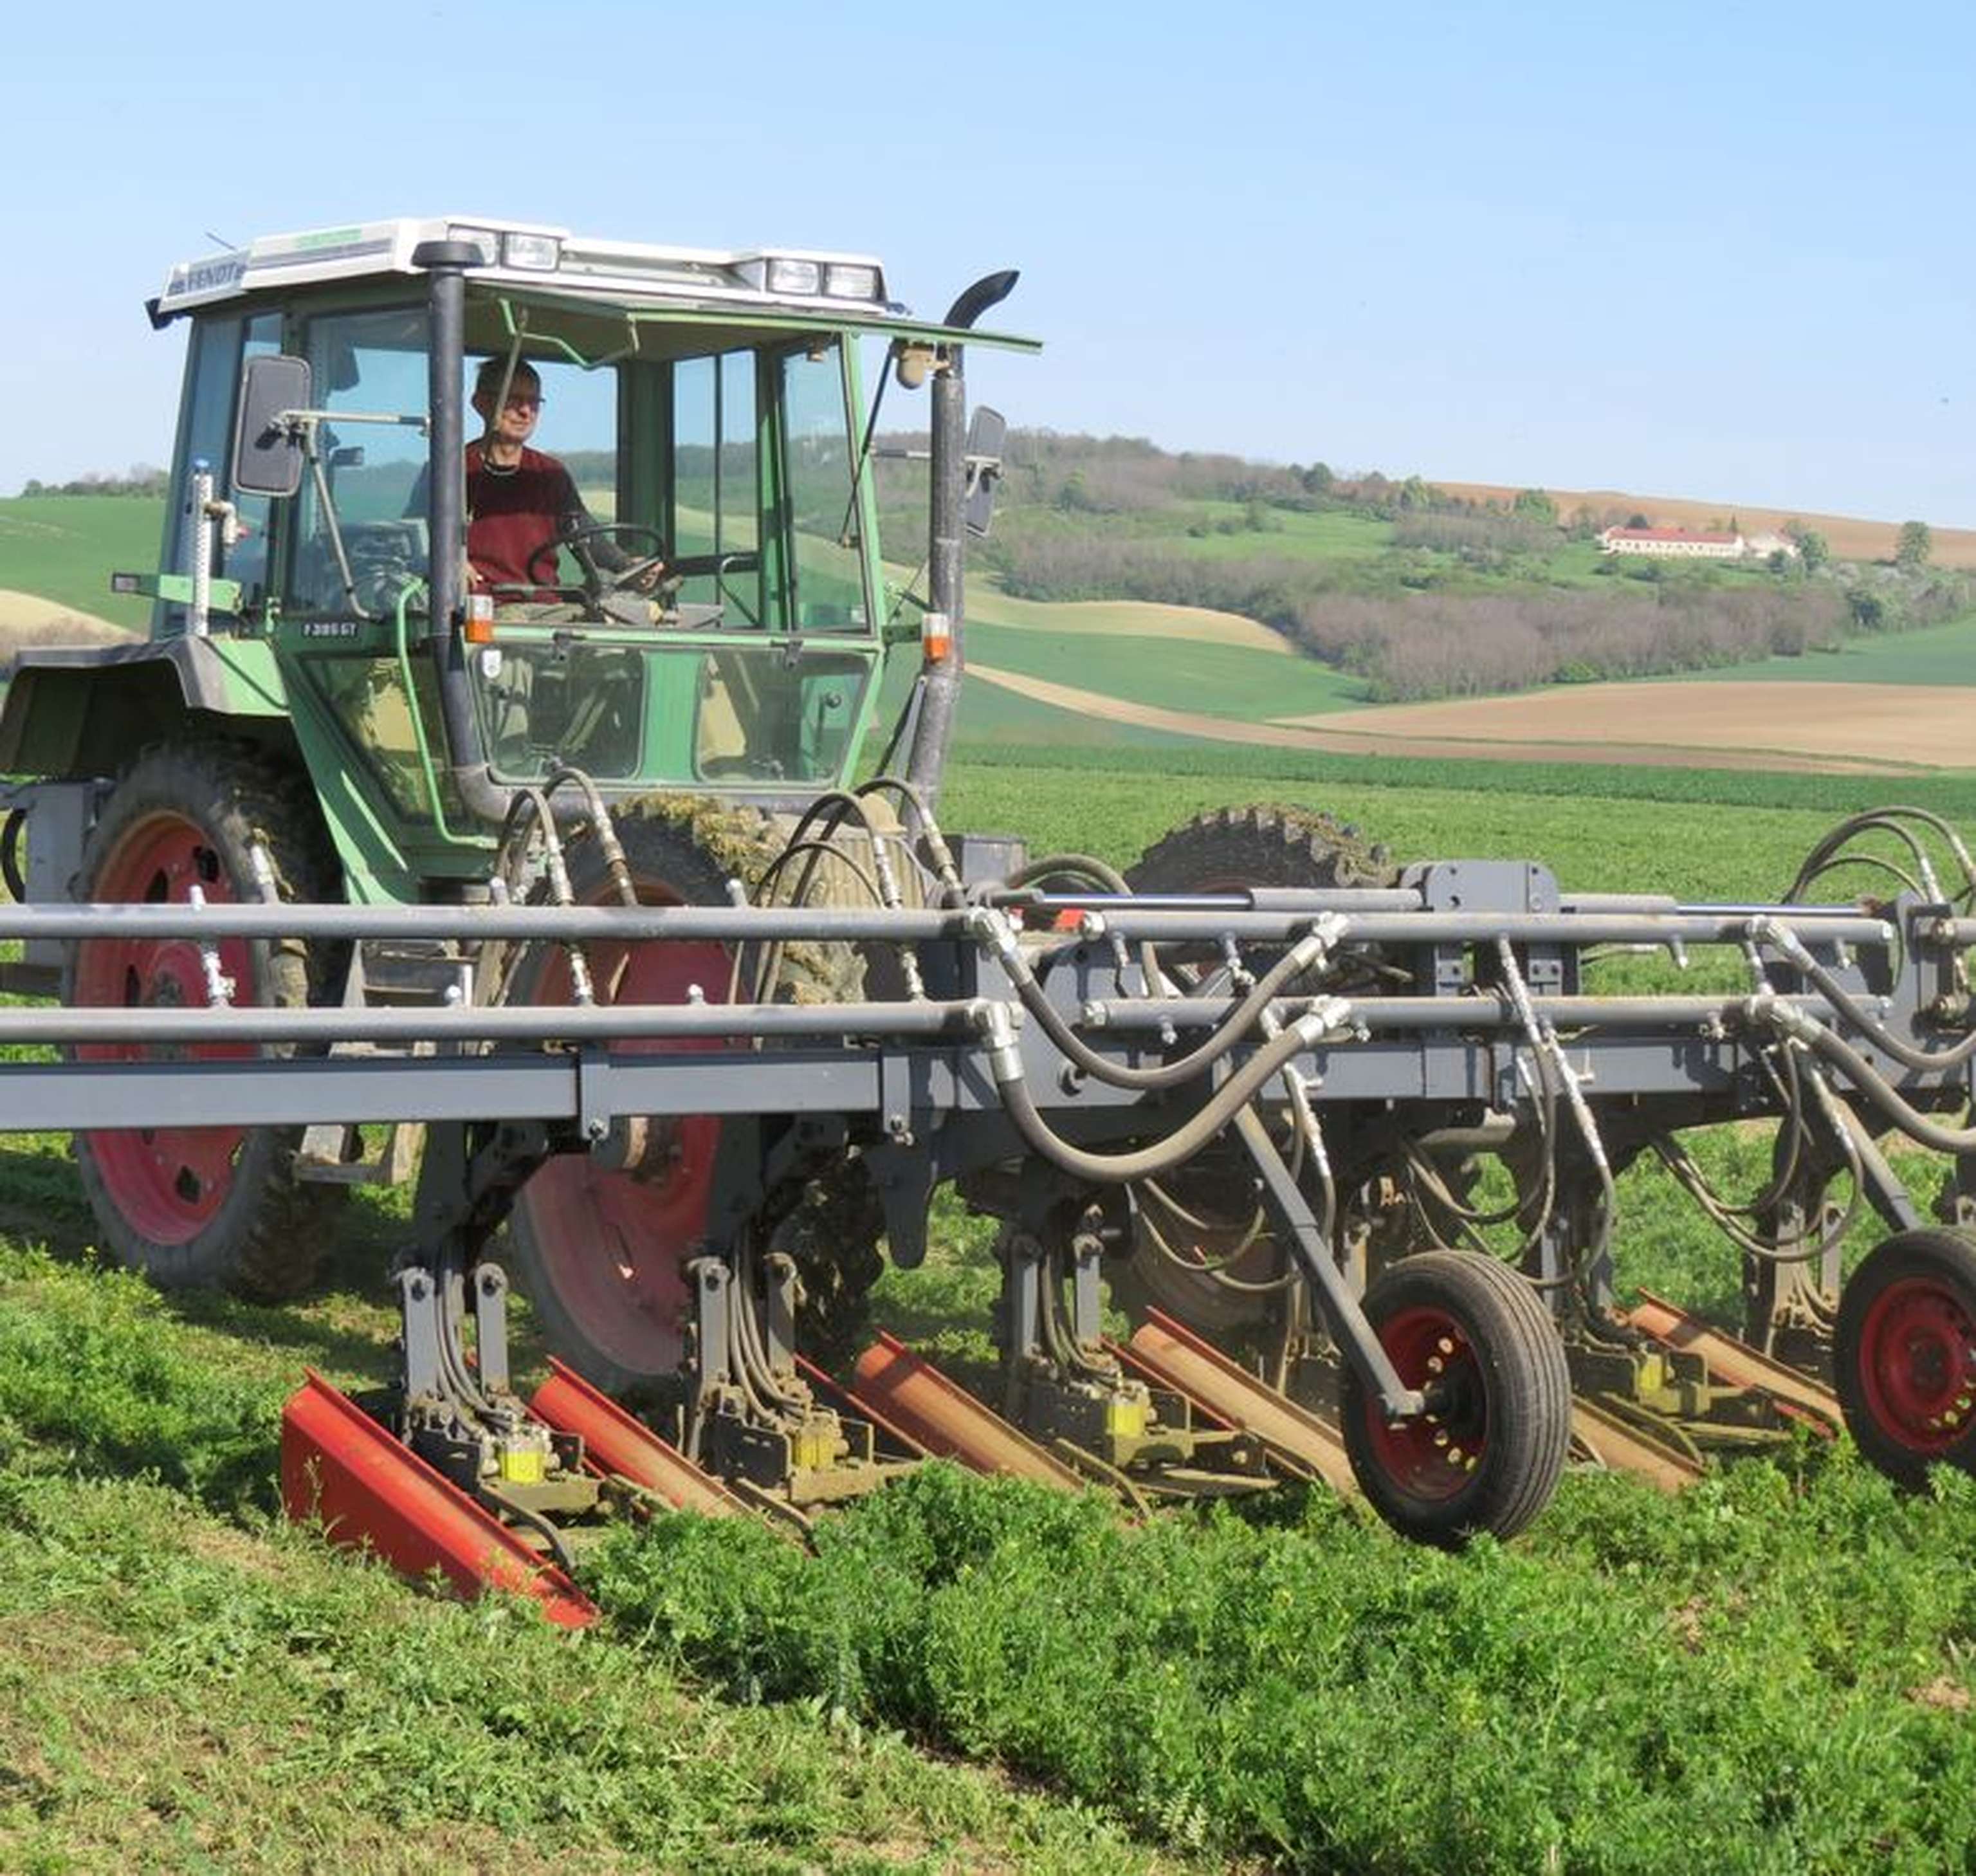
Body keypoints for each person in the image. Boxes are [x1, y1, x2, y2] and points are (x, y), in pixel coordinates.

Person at [457, 357, 661, 608]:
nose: (526, 412)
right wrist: (453, 562)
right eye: (513, 400)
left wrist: (628, 566)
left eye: (534, 402)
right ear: (481, 403)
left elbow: (584, 534)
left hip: (545, 608)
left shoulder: (549, 474)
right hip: (483, 610)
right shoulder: (454, 472)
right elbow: (421, 542)